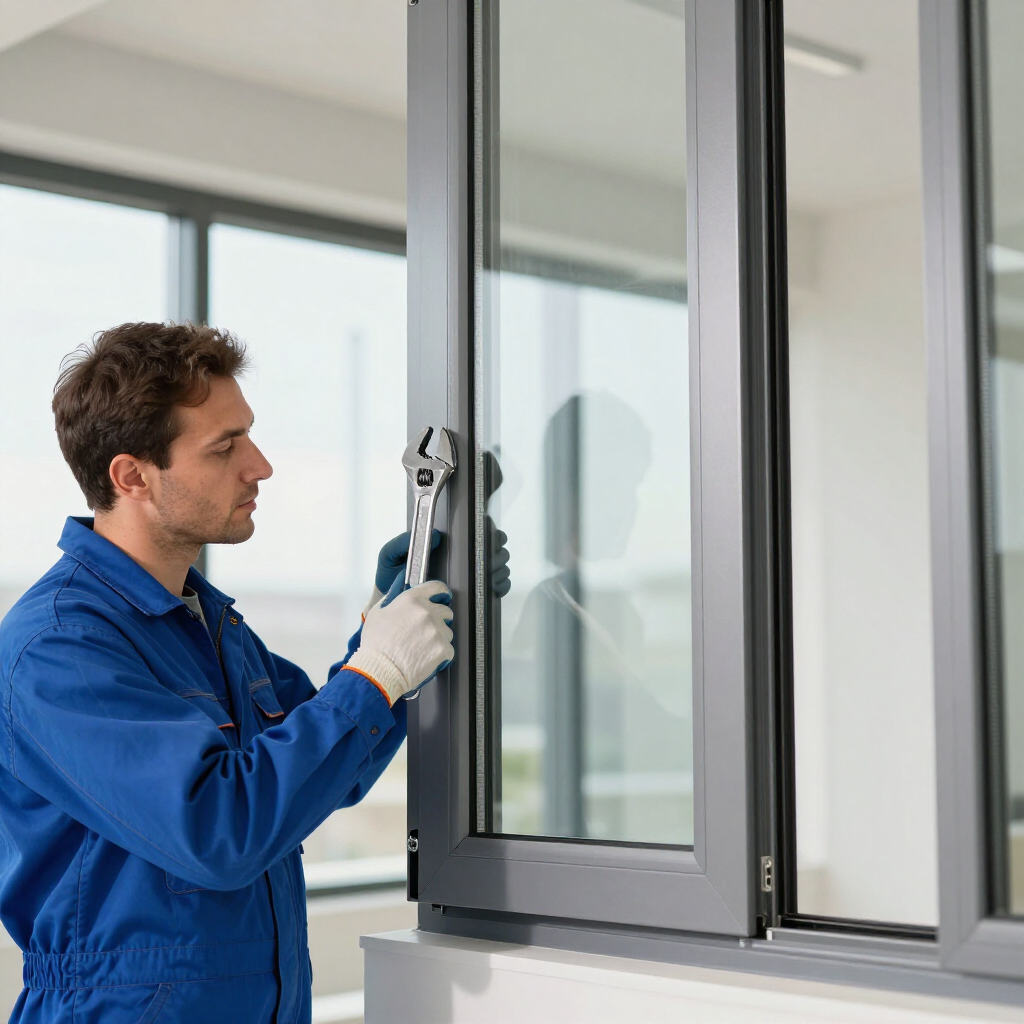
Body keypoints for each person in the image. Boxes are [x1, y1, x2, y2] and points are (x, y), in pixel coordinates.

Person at [0, 322, 475, 1024]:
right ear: (131, 475)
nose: (260, 465)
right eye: (225, 446)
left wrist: (386, 629)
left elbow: (324, 773)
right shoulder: (60, 647)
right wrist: (374, 674)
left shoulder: (205, 622)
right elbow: (220, 832)